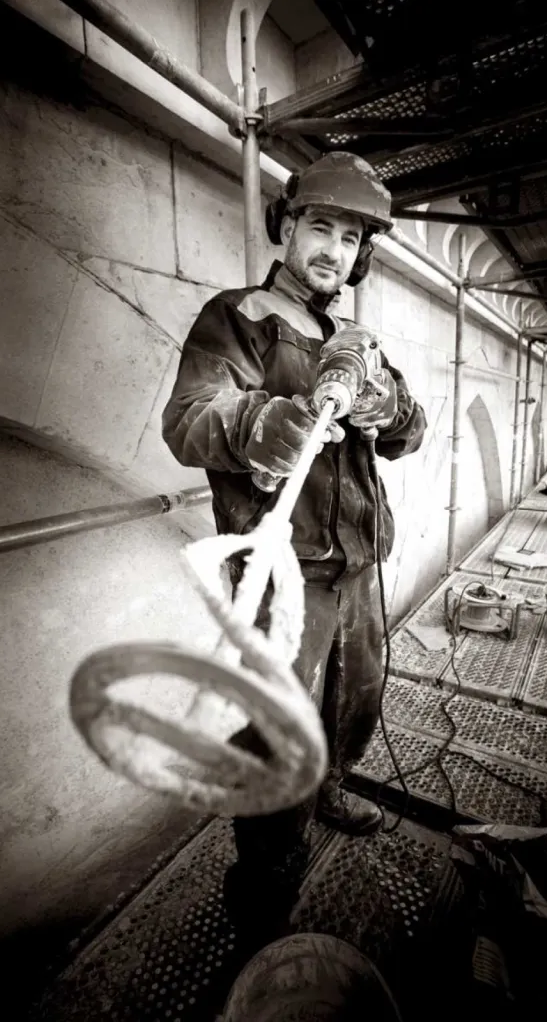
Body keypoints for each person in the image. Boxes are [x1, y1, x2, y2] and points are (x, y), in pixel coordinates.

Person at [162, 151, 426, 952]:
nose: (334, 251)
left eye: (351, 239)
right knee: (278, 736)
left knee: (355, 701)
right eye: (321, 227)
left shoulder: (353, 336)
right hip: (283, 578)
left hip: (354, 566)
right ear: (288, 226)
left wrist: (390, 405)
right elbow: (191, 417)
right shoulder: (238, 316)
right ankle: (264, 894)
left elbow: (411, 434)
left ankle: (333, 788)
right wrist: (261, 425)